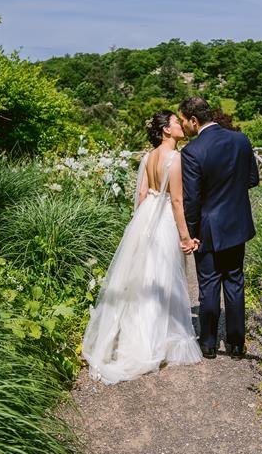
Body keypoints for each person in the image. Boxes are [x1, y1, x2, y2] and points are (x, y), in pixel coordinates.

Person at [81, 110, 202, 384]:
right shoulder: (175, 158)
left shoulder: (148, 157)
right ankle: (158, 339)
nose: (180, 125)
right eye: (175, 122)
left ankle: (139, 335)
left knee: (145, 278)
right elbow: (177, 202)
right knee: (164, 278)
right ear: (166, 130)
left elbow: (142, 194)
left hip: (146, 216)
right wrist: (185, 236)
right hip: (164, 222)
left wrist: (140, 223)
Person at [179, 97, 259, 360]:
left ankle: (209, 343)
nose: (183, 125)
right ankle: (236, 345)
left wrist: (191, 233)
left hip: (208, 228)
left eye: (183, 120)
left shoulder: (192, 151)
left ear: (194, 120)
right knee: (235, 280)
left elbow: (192, 199)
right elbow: (252, 179)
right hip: (237, 222)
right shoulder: (241, 140)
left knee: (209, 283)